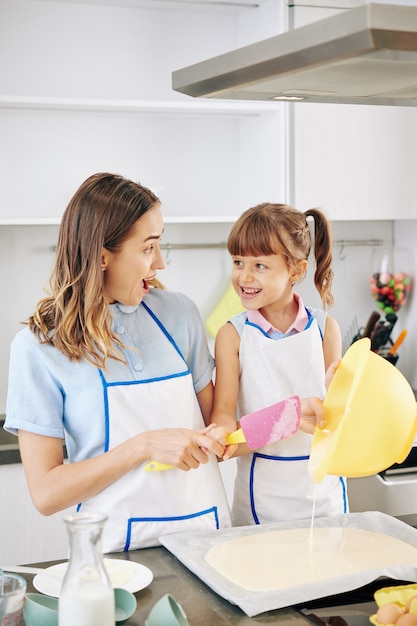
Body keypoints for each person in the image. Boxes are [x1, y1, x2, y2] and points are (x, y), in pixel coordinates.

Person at [4, 174, 328, 553]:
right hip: (115, 555)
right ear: (102, 254)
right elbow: (46, 493)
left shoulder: (178, 313)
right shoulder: (39, 347)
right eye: (148, 248)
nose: (159, 262)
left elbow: (221, 434)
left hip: (209, 543)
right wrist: (143, 446)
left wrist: (291, 416)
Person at [210, 202, 348, 527]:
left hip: (324, 499)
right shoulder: (232, 336)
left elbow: (341, 425)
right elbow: (225, 442)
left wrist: (345, 398)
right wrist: (291, 416)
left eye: (260, 265)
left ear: (296, 271)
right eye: (238, 261)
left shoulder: (326, 329)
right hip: (261, 505)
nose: (244, 276)